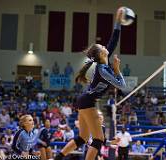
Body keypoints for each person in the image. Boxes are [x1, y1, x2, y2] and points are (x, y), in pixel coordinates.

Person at [54, 7, 126, 160]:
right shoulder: (103, 70)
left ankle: (58, 157)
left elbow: (114, 39)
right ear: (101, 54)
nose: (106, 47)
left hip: (84, 100)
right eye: (103, 48)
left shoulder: (104, 62)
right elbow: (122, 85)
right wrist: (117, 69)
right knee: (98, 139)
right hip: (87, 101)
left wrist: (118, 22)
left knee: (83, 138)